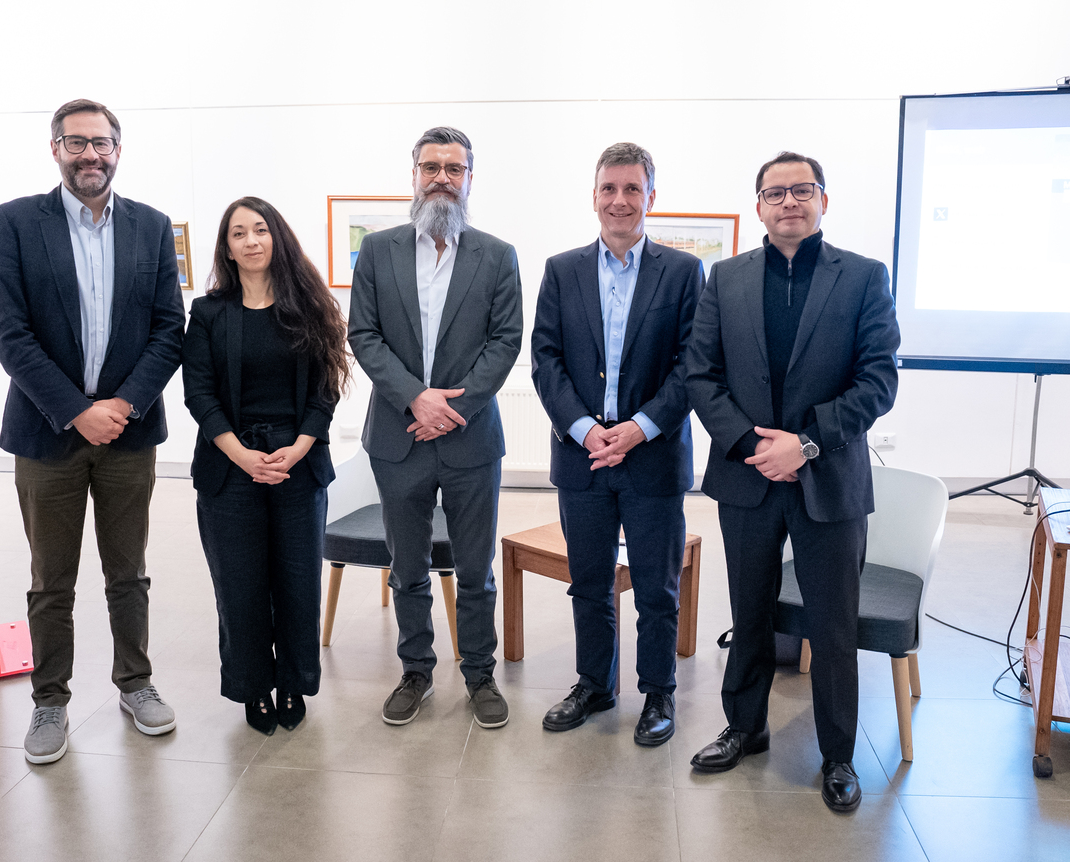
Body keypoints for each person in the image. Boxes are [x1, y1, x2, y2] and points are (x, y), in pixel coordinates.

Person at [685, 152, 900, 811]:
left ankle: (838, 755)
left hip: (827, 477)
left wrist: (803, 445)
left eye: (801, 190)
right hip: (748, 475)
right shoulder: (724, 278)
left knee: (833, 624)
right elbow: (701, 374)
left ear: (823, 200)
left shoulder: (863, 277)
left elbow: (878, 380)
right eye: (774, 193)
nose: (788, 202)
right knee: (749, 612)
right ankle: (745, 728)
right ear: (758, 206)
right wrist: (756, 446)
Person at [0, 98, 186, 764]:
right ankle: (50, 700)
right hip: (49, 434)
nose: (90, 155)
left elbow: (169, 329)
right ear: (55, 150)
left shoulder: (151, 227)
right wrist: (78, 410)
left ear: (118, 151)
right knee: (52, 580)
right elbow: (11, 335)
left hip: (129, 433)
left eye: (102, 143)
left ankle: (136, 683)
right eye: (76, 143)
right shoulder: (17, 222)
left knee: (128, 572)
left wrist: (122, 405)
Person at [348, 126, 522, 729]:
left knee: (475, 570)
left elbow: (505, 341)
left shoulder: (497, 255)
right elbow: (363, 334)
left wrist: (452, 409)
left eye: (454, 168)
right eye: (431, 167)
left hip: (471, 439)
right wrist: (415, 400)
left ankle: (479, 674)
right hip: (398, 438)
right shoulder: (379, 250)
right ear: (414, 176)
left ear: (470, 178)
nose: (442, 178)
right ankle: (416, 671)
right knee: (408, 569)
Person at [530, 143, 703, 743]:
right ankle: (595, 684)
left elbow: (692, 365)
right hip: (583, 458)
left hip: (652, 455)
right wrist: (584, 429)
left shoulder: (683, 272)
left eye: (633, 189)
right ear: (594, 196)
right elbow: (546, 360)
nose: (620, 200)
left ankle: (658, 692)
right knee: (589, 582)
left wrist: (638, 428)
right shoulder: (562, 270)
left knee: (656, 587)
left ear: (651, 197)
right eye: (610, 188)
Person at [182, 197, 349, 735]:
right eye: (238, 233)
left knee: (297, 583)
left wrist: (298, 448)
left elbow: (326, 390)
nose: (251, 241)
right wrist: (241, 454)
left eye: (260, 229)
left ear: (277, 237)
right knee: (240, 586)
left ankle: (294, 682)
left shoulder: (310, 306)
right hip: (230, 468)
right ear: (227, 248)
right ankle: (253, 688)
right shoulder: (208, 313)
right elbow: (199, 393)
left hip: (298, 464)